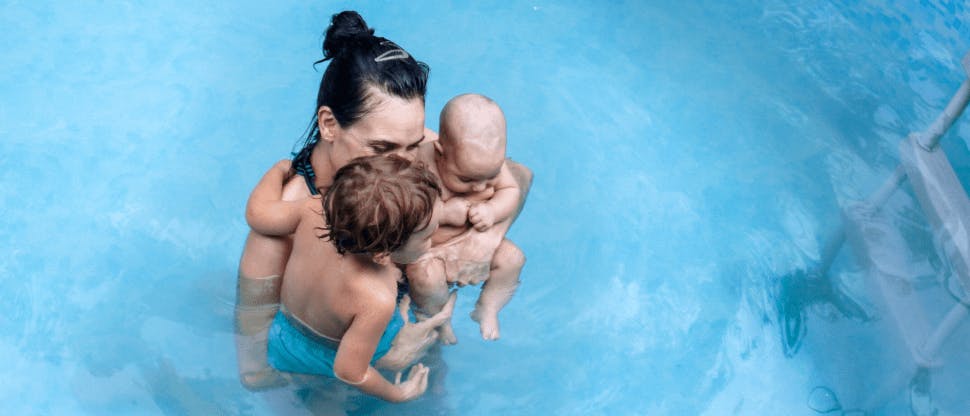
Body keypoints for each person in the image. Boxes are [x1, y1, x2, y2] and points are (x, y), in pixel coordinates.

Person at [234, 10, 433, 390]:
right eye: (382, 147)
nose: (404, 163)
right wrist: (384, 355)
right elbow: (255, 355)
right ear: (329, 124)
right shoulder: (289, 220)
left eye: (415, 144)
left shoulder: (406, 154)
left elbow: (517, 177)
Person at [248, 155, 449, 402]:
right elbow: (349, 371)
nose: (433, 239)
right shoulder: (376, 299)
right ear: (382, 255)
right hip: (329, 360)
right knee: (421, 344)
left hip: (282, 339)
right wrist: (398, 393)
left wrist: (278, 170)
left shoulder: (314, 209)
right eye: (427, 236)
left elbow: (257, 214)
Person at [407, 94, 527, 342]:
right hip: (432, 253)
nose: (480, 187)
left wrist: (493, 210)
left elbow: (512, 190)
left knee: (513, 259)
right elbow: (405, 211)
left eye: (490, 177)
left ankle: (488, 306)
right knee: (424, 279)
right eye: (466, 179)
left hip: (472, 238)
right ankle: (438, 320)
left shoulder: (489, 163)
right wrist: (443, 213)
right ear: (440, 152)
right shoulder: (420, 164)